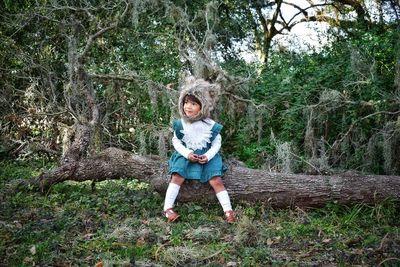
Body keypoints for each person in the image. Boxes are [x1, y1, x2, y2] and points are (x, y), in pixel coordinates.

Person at [163, 77, 236, 223]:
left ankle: (228, 211)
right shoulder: (181, 124)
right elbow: (176, 141)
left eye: (193, 103)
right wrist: (187, 153)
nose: (188, 106)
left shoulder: (210, 125)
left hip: (206, 156)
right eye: (185, 102)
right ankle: (168, 209)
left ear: (203, 106)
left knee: (216, 180)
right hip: (186, 155)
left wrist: (208, 156)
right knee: (177, 176)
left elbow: (216, 143)